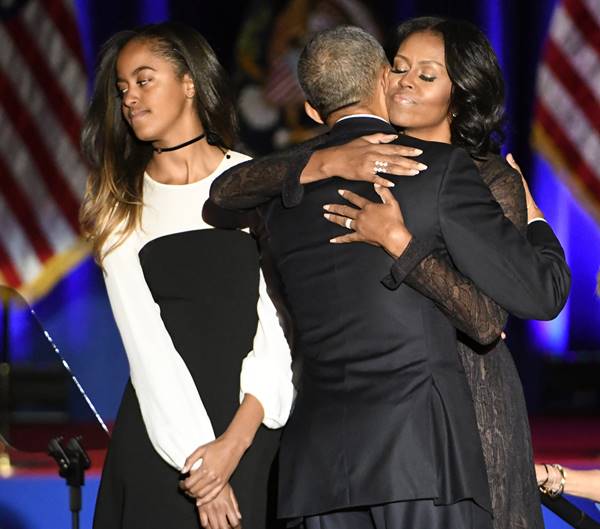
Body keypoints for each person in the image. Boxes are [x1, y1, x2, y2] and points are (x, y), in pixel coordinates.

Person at [206, 25, 570, 529]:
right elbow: (227, 189)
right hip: (400, 435)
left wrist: (531, 219)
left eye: (426, 75)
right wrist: (327, 157)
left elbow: (501, 313)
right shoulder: (338, 166)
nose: (404, 83)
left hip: (467, 402)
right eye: (398, 68)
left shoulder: (484, 175)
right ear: (379, 76)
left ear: (459, 96)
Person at [79, 22, 293, 529]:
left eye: (144, 79)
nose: (130, 97)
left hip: (254, 432)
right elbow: (146, 345)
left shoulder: (254, 181)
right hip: (162, 442)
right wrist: (198, 461)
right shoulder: (120, 202)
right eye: (122, 88)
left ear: (189, 82)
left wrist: (234, 445)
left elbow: (278, 327)